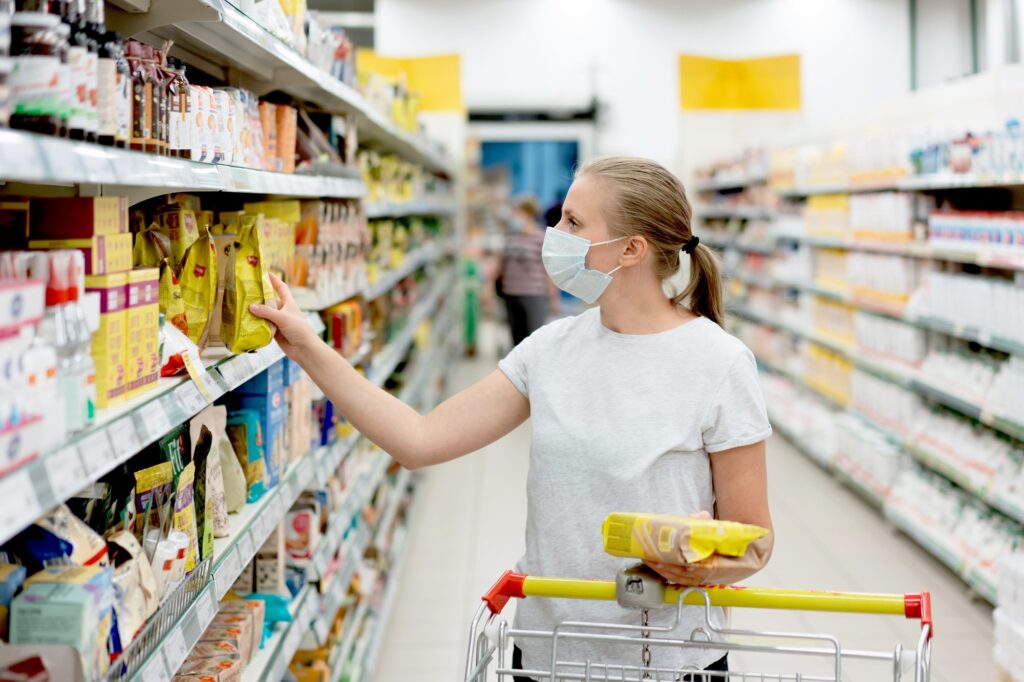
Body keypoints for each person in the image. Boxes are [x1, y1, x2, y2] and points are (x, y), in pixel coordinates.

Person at [250, 157, 774, 680]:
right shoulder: (549, 350)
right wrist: (308, 349)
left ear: (631, 249)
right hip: (547, 649)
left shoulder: (718, 362)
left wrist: (697, 561)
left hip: (665, 659)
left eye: (573, 222)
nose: (554, 235)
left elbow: (754, 541)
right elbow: (419, 439)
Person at [497, 195, 559, 346]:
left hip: (534, 295)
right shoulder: (510, 236)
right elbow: (501, 263)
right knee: (516, 341)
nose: (514, 216)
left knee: (533, 340)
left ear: (528, 214)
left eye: (517, 212)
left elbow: (548, 269)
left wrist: (553, 298)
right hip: (511, 294)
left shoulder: (541, 238)